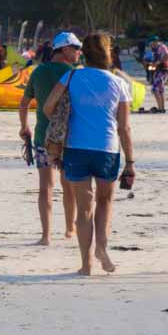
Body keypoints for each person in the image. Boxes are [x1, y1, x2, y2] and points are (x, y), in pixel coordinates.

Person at [43, 32, 134, 276]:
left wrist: (64, 122)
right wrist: (131, 162)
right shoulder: (119, 83)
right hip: (107, 148)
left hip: (75, 147)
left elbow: (48, 106)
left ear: (85, 53)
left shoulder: (71, 75)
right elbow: (124, 127)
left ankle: (86, 265)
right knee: (104, 201)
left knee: (84, 207)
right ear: (108, 53)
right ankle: (101, 248)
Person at [20, 32, 81, 245]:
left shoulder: (38, 72)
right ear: (64, 49)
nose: (78, 52)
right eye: (75, 47)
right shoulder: (73, 73)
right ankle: (69, 229)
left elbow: (24, 103)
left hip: (42, 137)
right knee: (68, 184)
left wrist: (24, 127)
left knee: (45, 186)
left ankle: (46, 235)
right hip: (67, 138)